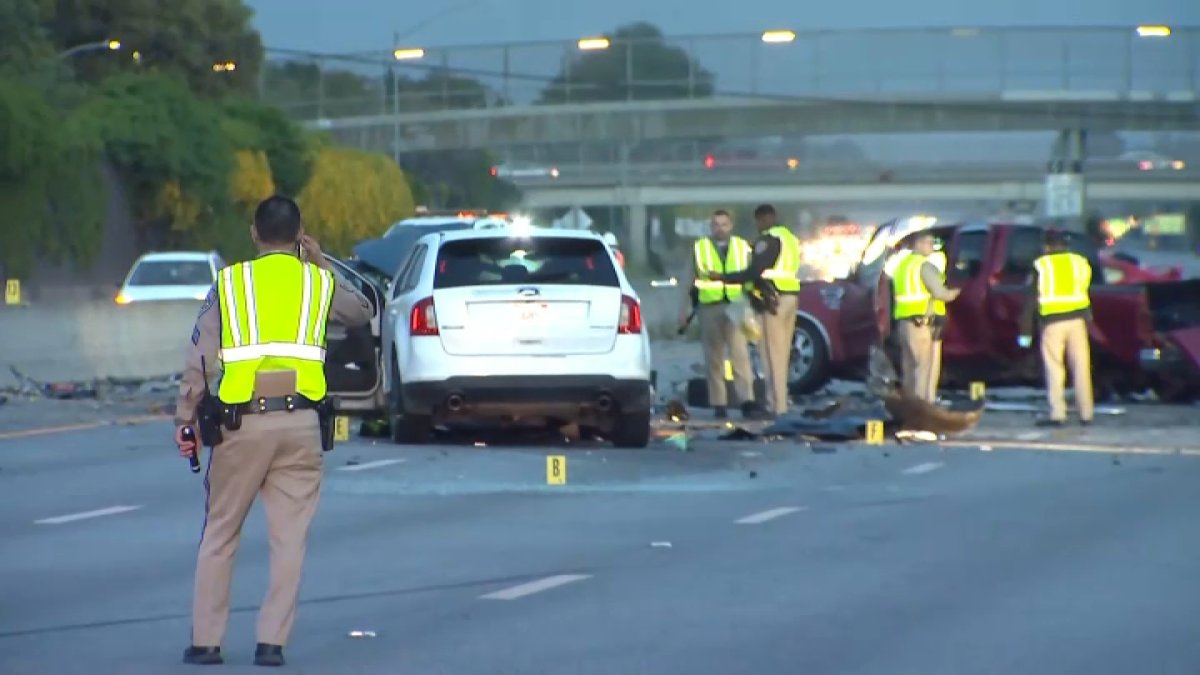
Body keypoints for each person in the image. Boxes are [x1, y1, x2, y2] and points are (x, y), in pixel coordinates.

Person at [175, 196, 373, 667]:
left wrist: (186, 417)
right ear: (300, 235)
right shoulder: (317, 283)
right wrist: (322, 262)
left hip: (241, 424)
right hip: (302, 424)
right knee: (289, 539)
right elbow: (363, 310)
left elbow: (200, 358)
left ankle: (206, 643)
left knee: (221, 532)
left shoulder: (232, 282)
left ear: (254, 233)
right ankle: (271, 644)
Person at [709, 204, 802, 418]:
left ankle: (776, 407)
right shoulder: (790, 239)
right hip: (791, 297)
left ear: (762, 220)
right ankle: (780, 403)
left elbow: (754, 271)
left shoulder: (768, 239)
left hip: (773, 301)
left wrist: (723, 277)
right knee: (783, 355)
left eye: (758, 222)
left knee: (772, 356)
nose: (758, 226)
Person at [679, 209, 765, 420]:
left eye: (724, 224)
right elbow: (688, 280)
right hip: (710, 307)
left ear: (731, 225)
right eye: (716, 224)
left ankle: (747, 401)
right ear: (711, 227)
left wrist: (754, 305)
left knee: (740, 355)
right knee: (713, 358)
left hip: (736, 305)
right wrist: (684, 310)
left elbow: (751, 276)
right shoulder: (700, 248)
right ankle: (719, 404)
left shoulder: (742, 247)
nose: (720, 228)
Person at [1018, 229, 1094, 427]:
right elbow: (1084, 288)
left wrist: (1025, 333)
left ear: (1047, 246)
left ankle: (1057, 413)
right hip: (1078, 321)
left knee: (1054, 368)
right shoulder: (1080, 263)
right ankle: (1086, 413)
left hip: (1052, 323)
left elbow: (1030, 300)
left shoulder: (1042, 265)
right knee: (1081, 367)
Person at [890, 232, 960, 402]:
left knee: (909, 369)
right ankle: (923, 409)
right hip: (920, 324)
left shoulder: (902, 266)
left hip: (904, 322)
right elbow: (940, 293)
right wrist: (958, 292)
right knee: (923, 369)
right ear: (918, 244)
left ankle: (909, 407)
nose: (932, 246)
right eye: (929, 243)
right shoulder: (924, 266)